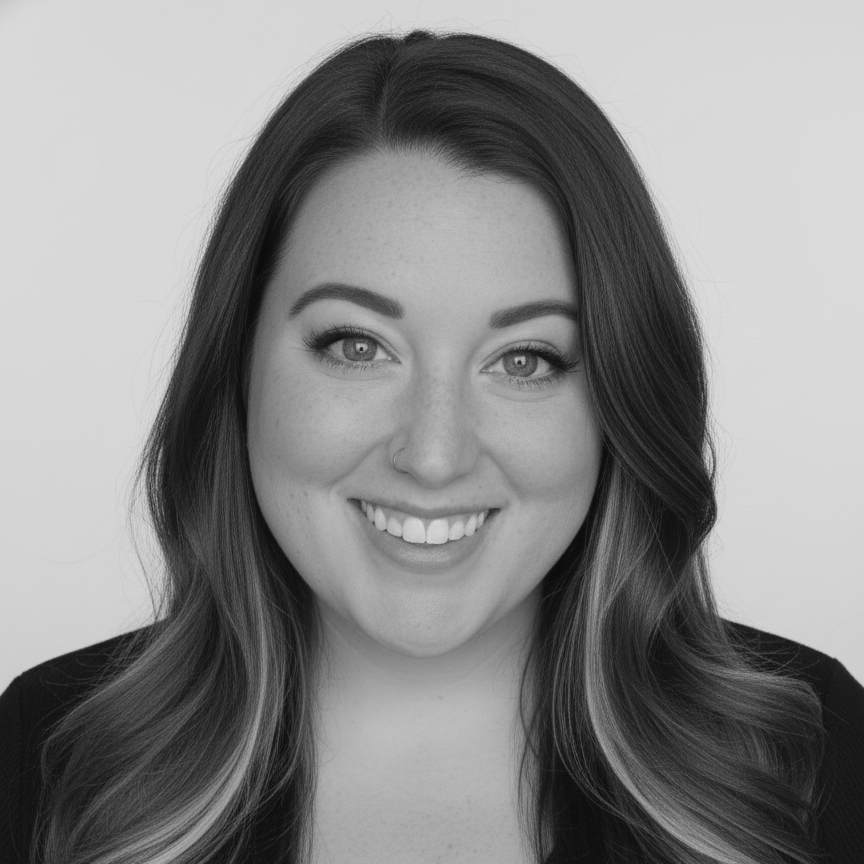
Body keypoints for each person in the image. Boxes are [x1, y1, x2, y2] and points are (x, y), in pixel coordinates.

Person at [1, 29, 862, 864]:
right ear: (236, 367)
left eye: (525, 360)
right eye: (357, 346)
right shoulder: (45, 758)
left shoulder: (813, 759)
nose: (435, 455)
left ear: (619, 401)